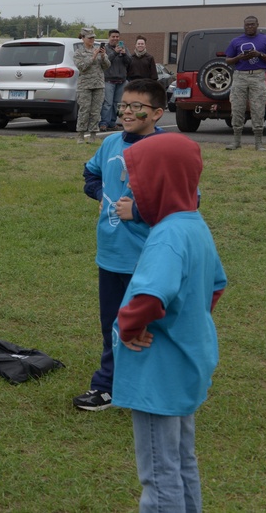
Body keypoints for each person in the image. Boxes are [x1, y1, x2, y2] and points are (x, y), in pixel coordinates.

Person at [113, 133, 227, 513]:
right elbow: (216, 285)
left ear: (159, 180)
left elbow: (148, 297)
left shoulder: (166, 238)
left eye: (136, 176)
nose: (130, 184)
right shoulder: (194, 224)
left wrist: (130, 328)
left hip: (158, 376)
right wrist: (188, 317)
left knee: (159, 474)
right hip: (187, 365)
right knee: (181, 461)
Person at [73, 78, 167, 412]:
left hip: (148, 259)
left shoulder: (165, 149)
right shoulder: (111, 143)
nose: (126, 111)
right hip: (111, 255)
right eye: (124, 105)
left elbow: (186, 201)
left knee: (148, 325)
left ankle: (152, 386)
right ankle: (107, 386)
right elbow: (91, 176)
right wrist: (100, 195)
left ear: (157, 113)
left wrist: (139, 211)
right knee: (112, 322)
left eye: (136, 107)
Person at [224, 16, 266, 151]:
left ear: (257, 25)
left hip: (258, 75)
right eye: (247, 25)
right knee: (237, 108)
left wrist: (259, 55)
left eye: (252, 24)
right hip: (240, 76)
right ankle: (236, 141)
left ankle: (258, 143)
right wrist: (239, 57)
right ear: (244, 26)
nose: (249, 27)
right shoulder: (236, 41)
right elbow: (228, 60)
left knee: (258, 108)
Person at [73, 28, 110, 143]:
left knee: (96, 111)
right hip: (85, 86)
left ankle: (93, 134)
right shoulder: (79, 52)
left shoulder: (98, 50)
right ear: (83, 38)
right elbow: (82, 67)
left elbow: (107, 66)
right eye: (89, 38)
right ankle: (80, 134)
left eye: (93, 38)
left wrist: (103, 57)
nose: (92, 40)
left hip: (98, 84)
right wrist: (93, 57)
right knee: (84, 110)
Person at [100, 30, 131, 131]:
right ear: (109, 37)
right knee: (107, 103)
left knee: (116, 104)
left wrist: (125, 54)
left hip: (121, 81)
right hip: (109, 80)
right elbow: (104, 61)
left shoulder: (124, 47)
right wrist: (115, 52)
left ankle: (112, 123)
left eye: (117, 37)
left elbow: (130, 62)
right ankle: (104, 123)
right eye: (113, 36)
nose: (115, 38)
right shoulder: (105, 48)